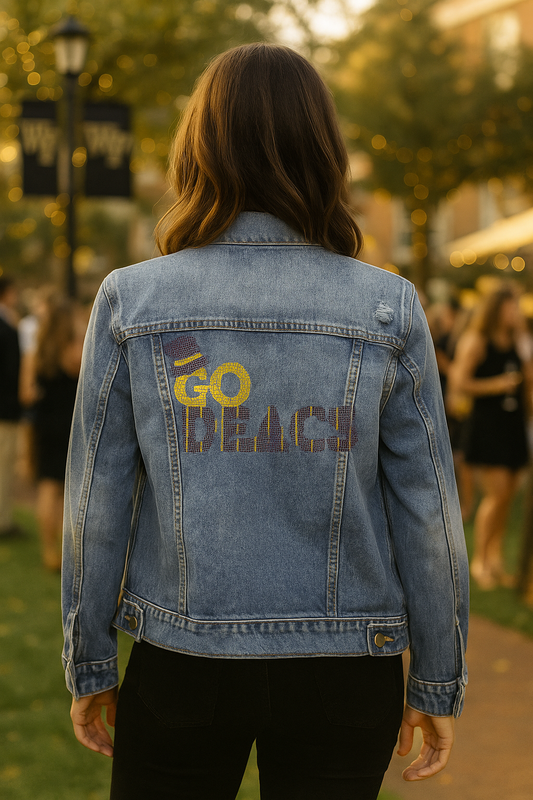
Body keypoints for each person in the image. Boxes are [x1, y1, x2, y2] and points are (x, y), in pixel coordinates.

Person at [62, 44, 468, 800]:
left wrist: (88, 663)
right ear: (324, 149)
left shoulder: (132, 301)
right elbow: (429, 513)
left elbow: (96, 504)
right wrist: (437, 676)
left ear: (198, 148)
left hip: (182, 660)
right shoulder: (386, 305)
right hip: (348, 669)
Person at [453, 286, 532, 590]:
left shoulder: (517, 341)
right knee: (496, 495)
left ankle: (496, 559)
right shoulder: (477, 340)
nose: (516, 312)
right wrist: (497, 385)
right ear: (497, 308)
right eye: (512, 306)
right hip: (487, 426)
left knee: (508, 497)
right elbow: (460, 382)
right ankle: (481, 561)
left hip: (512, 425)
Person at [20, 294, 85, 570]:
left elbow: (26, 394)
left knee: (46, 487)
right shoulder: (72, 350)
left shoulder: (36, 353)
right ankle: (64, 547)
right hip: (70, 424)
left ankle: (48, 549)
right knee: (66, 490)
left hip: (44, 426)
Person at [0, 275, 23, 539]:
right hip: (5, 409)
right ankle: (3, 522)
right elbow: (10, 371)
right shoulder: (6, 326)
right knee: (5, 467)